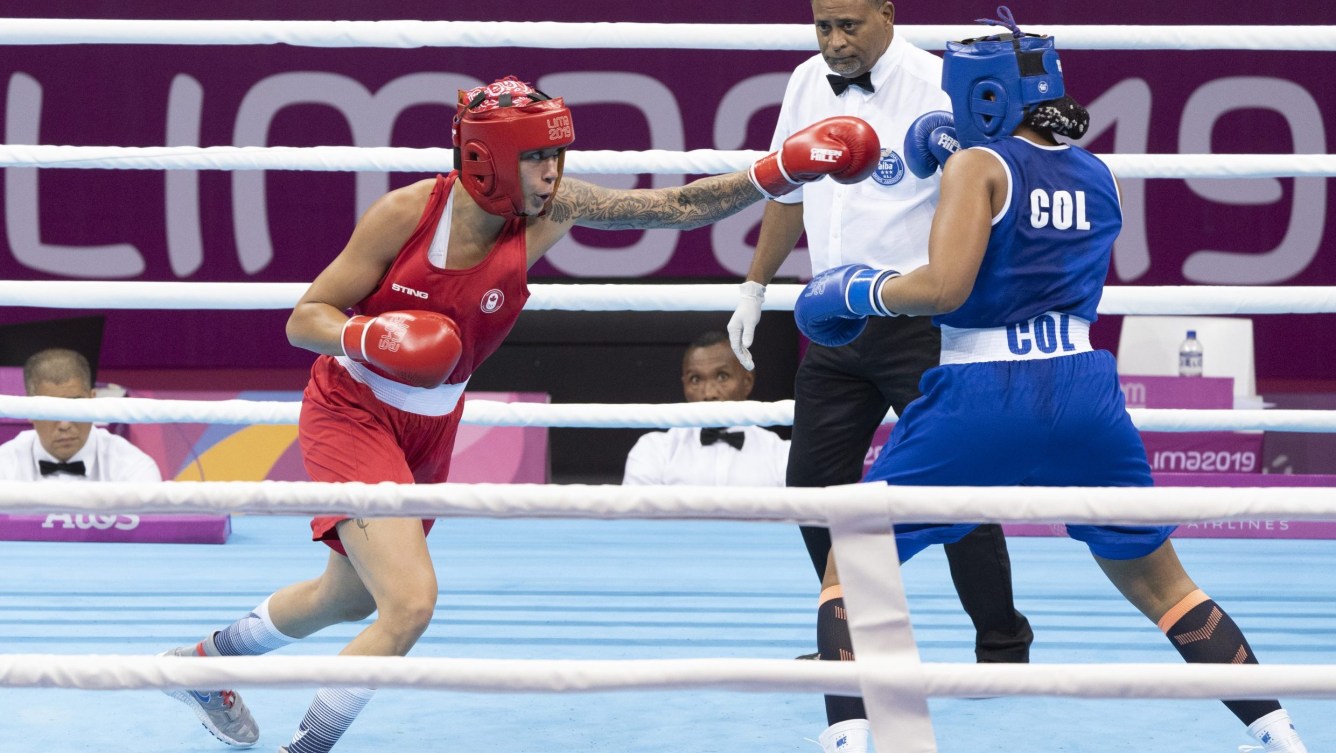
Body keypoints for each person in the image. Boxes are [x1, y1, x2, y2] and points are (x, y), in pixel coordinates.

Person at [158, 75, 882, 753]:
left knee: (347, 597)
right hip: (353, 409)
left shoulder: (553, 209)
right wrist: (366, 333)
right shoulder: (407, 214)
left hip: (431, 422)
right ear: (489, 162)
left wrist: (777, 171)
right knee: (408, 605)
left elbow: (674, 207)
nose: (554, 176)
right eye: (538, 159)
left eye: (557, 158)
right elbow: (303, 316)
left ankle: (201, 662)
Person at [792, 8, 1309, 753]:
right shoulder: (1101, 176)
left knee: (854, 552)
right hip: (1085, 395)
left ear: (987, 93)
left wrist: (858, 288)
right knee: (1165, 584)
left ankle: (846, 738)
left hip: (983, 392)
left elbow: (944, 286)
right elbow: (1033, 231)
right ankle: (1275, 729)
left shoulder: (978, 166)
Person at [727, 0, 1031, 695]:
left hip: (920, 320)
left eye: (849, 26)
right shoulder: (807, 81)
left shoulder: (942, 87)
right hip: (834, 319)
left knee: (955, 494)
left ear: (887, 14)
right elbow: (785, 187)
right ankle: (859, 636)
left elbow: (997, 195)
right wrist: (754, 285)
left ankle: (1003, 646)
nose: (835, 42)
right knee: (811, 487)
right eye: (823, 26)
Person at [623, 330, 789, 488]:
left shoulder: (781, 454)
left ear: (747, 382)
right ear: (684, 385)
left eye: (722, 376)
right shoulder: (654, 451)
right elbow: (636, 517)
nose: (709, 393)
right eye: (696, 379)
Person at [0, 348, 160, 483]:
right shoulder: (5, 466)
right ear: (28, 410)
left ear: (93, 400)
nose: (64, 424)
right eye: (50, 409)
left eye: (75, 407)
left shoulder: (133, 467)